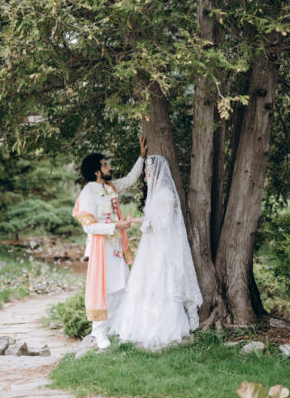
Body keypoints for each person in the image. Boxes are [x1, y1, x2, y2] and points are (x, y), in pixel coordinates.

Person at [109, 154, 202, 350]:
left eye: (147, 172)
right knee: (146, 282)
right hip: (151, 244)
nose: (145, 177)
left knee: (160, 280)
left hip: (162, 246)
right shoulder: (155, 194)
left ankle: (163, 327)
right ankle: (141, 326)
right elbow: (153, 220)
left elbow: (164, 222)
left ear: (156, 172)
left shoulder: (165, 194)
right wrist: (139, 221)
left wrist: (139, 221)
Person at [73, 137, 147, 349]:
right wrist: (116, 226)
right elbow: (89, 227)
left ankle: (120, 329)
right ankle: (99, 334)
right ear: (97, 171)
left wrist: (142, 157)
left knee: (121, 287)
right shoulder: (89, 192)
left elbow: (130, 179)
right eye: (106, 165)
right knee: (102, 289)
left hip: (116, 248)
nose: (110, 167)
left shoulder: (110, 187)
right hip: (101, 250)